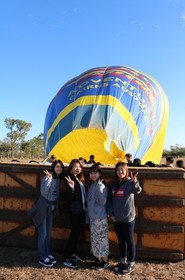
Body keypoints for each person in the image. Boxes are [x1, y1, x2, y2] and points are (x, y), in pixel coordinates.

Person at [107, 162, 142, 275]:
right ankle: (122, 261)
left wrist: (135, 182)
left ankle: (131, 263)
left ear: (126, 171)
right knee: (121, 240)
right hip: (116, 218)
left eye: (122, 169)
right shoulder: (113, 184)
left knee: (129, 240)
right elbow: (109, 201)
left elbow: (138, 190)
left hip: (127, 218)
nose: (120, 172)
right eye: (118, 170)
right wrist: (111, 213)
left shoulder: (129, 183)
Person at [28, 160, 64, 267]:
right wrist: (48, 180)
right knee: (42, 234)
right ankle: (42, 257)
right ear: (53, 167)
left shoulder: (58, 179)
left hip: (51, 208)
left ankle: (47, 253)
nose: (59, 169)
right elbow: (43, 192)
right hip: (43, 207)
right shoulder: (48, 177)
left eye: (61, 167)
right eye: (57, 167)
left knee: (48, 233)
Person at [63, 159, 86, 269]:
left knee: (77, 234)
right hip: (74, 211)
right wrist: (71, 188)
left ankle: (71, 254)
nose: (77, 168)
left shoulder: (79, 179)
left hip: (80, 211)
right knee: (74, 234)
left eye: (79, 167)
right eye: (75, 167)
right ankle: (67, 258)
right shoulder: (70, 179)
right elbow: (69, 197)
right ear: (71, 168)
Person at [86, 164, 109, 270]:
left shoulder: (102, 186)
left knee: (102, 239)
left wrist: (100, 188)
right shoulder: (92, 185)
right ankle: (97, 259)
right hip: (93, 218)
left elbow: (102, 201)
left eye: (95, 173)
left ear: (100, 174)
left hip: (100, 218)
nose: (93, 175)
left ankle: (104, 261)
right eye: (91, 173)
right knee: (95, 240)